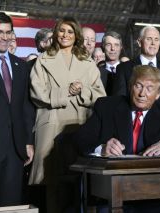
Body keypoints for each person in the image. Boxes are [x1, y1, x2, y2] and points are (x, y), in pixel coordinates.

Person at [76, 65, 160, 213]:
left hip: (155, 194)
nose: (142, 93)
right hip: (112, 191)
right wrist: (102, 148)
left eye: (149, 88)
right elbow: (80, 138)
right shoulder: (107, 106)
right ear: (130, 87)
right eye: (138, 86)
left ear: (158, 94)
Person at [28, 16, 106, 213]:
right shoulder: (42, 60)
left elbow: (100, 96)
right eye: (62, 30)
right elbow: (37, 94)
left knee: (81, 183)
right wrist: (65, 92)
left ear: (76, 35)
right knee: (53, 185)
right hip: (52, 125)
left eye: (70, 31)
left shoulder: (87, 62)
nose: (65, 35)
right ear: (56, 33)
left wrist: (82, 91)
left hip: (79, 124)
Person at [0, 12, 34, 208]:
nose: (5, 37)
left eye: (8, 32)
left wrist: (28, 141)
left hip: (16, 150)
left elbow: (26, 108)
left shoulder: (20, 66)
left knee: (10, 207)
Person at [112, 26, 160, 132]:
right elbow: (119, 102)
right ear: (139, 42)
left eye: (156, 40)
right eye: (149, 39)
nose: (153, 43)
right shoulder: (124, 68)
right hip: (133, 128)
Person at [99, 31, 123, 95]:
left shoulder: (129, 70)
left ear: (121, 48)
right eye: (108, 45)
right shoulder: (96, 72)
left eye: (116, 45)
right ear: (103, 48)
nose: (113, 48)